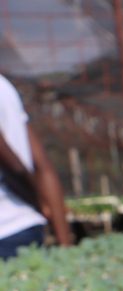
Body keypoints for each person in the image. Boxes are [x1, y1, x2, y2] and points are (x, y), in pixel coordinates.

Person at [0, 73, 71, 258]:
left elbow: (14, 164)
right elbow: (42, 164)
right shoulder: (5, 86)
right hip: (24, 226)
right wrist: (66, 246)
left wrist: (38, 199)